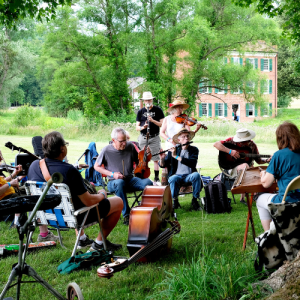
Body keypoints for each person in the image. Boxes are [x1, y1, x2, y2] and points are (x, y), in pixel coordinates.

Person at [28, 131, 123, 252]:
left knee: (73, 199)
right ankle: (98, 244)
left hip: (46, 216)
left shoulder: (34, 165)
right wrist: (101, 195)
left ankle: (82, 239)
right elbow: (89, 201)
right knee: (118, 201)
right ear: (62, 149)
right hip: (72, 218)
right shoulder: (69, 170)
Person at [94, 127, 153, 225]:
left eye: (125, 140)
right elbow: (96, 166)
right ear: (114, 140)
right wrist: (113, 174)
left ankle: (146, 210)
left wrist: (146, 155)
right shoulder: (106, 150)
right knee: (120, 182)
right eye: (121, 141)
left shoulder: (130, 146)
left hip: (130, 179)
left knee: (148, 182)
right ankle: (126, 215)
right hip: (113, 182)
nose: (124, 143)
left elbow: (139, 161)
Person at [257, 122, 300, 231]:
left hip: (287, 202)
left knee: (259, 200)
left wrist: (263, 174)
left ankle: (268, 236)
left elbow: (266, 184)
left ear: (280, 138)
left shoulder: (279, 155)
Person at [213, 128, 271, 204]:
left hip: (248, 168)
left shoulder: (252, 145)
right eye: (245, 141)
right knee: (245, 166)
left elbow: (259, 160)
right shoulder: (231, 140)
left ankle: (253, 194)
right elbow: (216, 144)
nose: (247, 142)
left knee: (255, 169)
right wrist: (230, 151)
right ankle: (245, 196)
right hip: (231, 167)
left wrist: (267, 160)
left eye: (248, 140)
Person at [159, 128, 202, 211]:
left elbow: (192, 163)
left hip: (189, 175)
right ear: (179, 140)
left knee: (196, 175)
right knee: (173, 178)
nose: (186, 138)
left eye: (187, 136)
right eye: (183, 137)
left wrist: (176, 156)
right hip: (177, 175)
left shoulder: (194, 150)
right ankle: (175, 202)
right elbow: (162, 165)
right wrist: (162, 158)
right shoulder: (174, 150)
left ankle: (195, 200)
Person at [136, 92, 165, 184]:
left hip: (154, 137)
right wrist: (143, 127)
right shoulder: (140, 112)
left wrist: (152, 120)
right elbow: (137, 127)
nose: (148, 101)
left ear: (152, 100)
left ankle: (156, 178)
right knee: (142, 158)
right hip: (143, 137)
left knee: (156, 158)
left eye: (149, 100)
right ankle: (143, 177)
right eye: (146, 100)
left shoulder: (158, 110)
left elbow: (162, 124)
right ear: (144, 101)